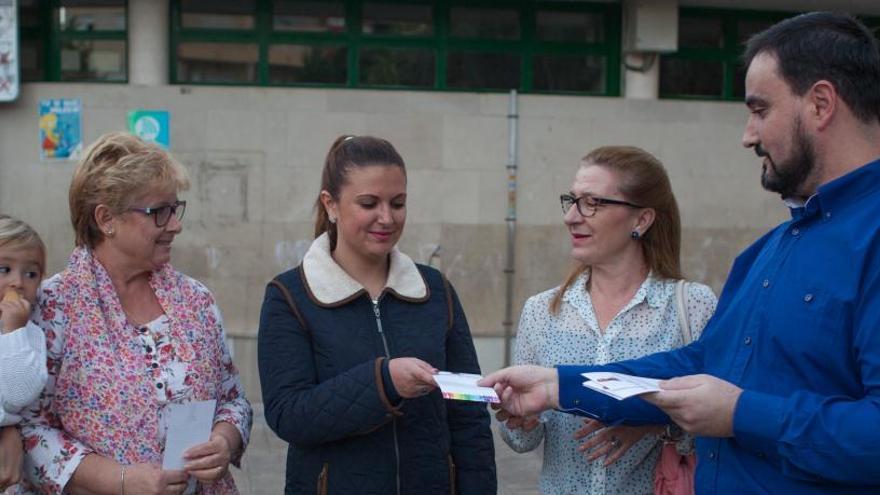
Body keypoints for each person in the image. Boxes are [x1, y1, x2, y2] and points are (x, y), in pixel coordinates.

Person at [480, 12, 880, 494]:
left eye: (759, 109)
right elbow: (699, 365)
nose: (747, 135)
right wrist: (559, 386)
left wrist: (739, 414)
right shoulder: (767, 253)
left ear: (820, 104)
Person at [258, 135, 496, 494]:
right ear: (331, 204)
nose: (386, 218)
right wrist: (383, 383)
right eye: (369, 203)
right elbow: (288, 415)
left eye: (397, 203)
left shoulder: (435, 291)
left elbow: (470, 415)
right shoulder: (290, 296)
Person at [18, 132, 253, 494]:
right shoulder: (53, 307)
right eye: (159, 212)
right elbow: (30, 429)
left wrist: (224, 441)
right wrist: (120, 480)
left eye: (175, 209)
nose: (175, 224)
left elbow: (233, 399)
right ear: (106, 219)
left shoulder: (196, 300)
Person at [498, 147, 716, 494]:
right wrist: (521, 420)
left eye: (592, 203)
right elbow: (522, 442)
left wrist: (649, 423)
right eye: (572, 200)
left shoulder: (691, 306)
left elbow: (721, 419)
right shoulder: (542, 310)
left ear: (641, 220)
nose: (571, 216)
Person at [0, 216, 48, 493]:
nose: (18, 282)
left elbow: (19, 394)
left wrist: (13, 333)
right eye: (4, 269)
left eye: (31, 274)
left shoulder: (29, 334)